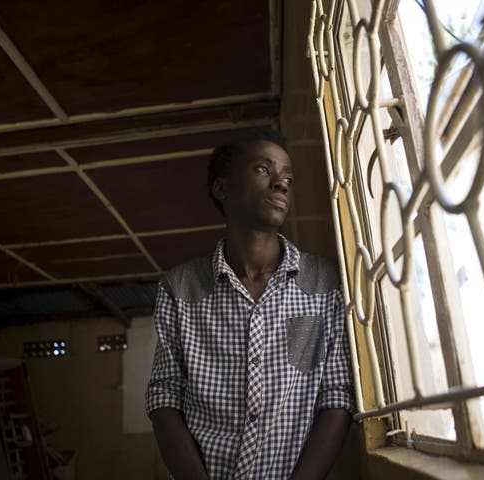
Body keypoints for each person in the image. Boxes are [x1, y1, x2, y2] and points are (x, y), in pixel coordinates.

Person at [146, 129, 355, 479]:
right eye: (263, 169)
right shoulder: (180, 288)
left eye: (287, 176)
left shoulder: (321, 283)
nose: (281, 183)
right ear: (222, 188)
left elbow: (335, 396)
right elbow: (164, 394)